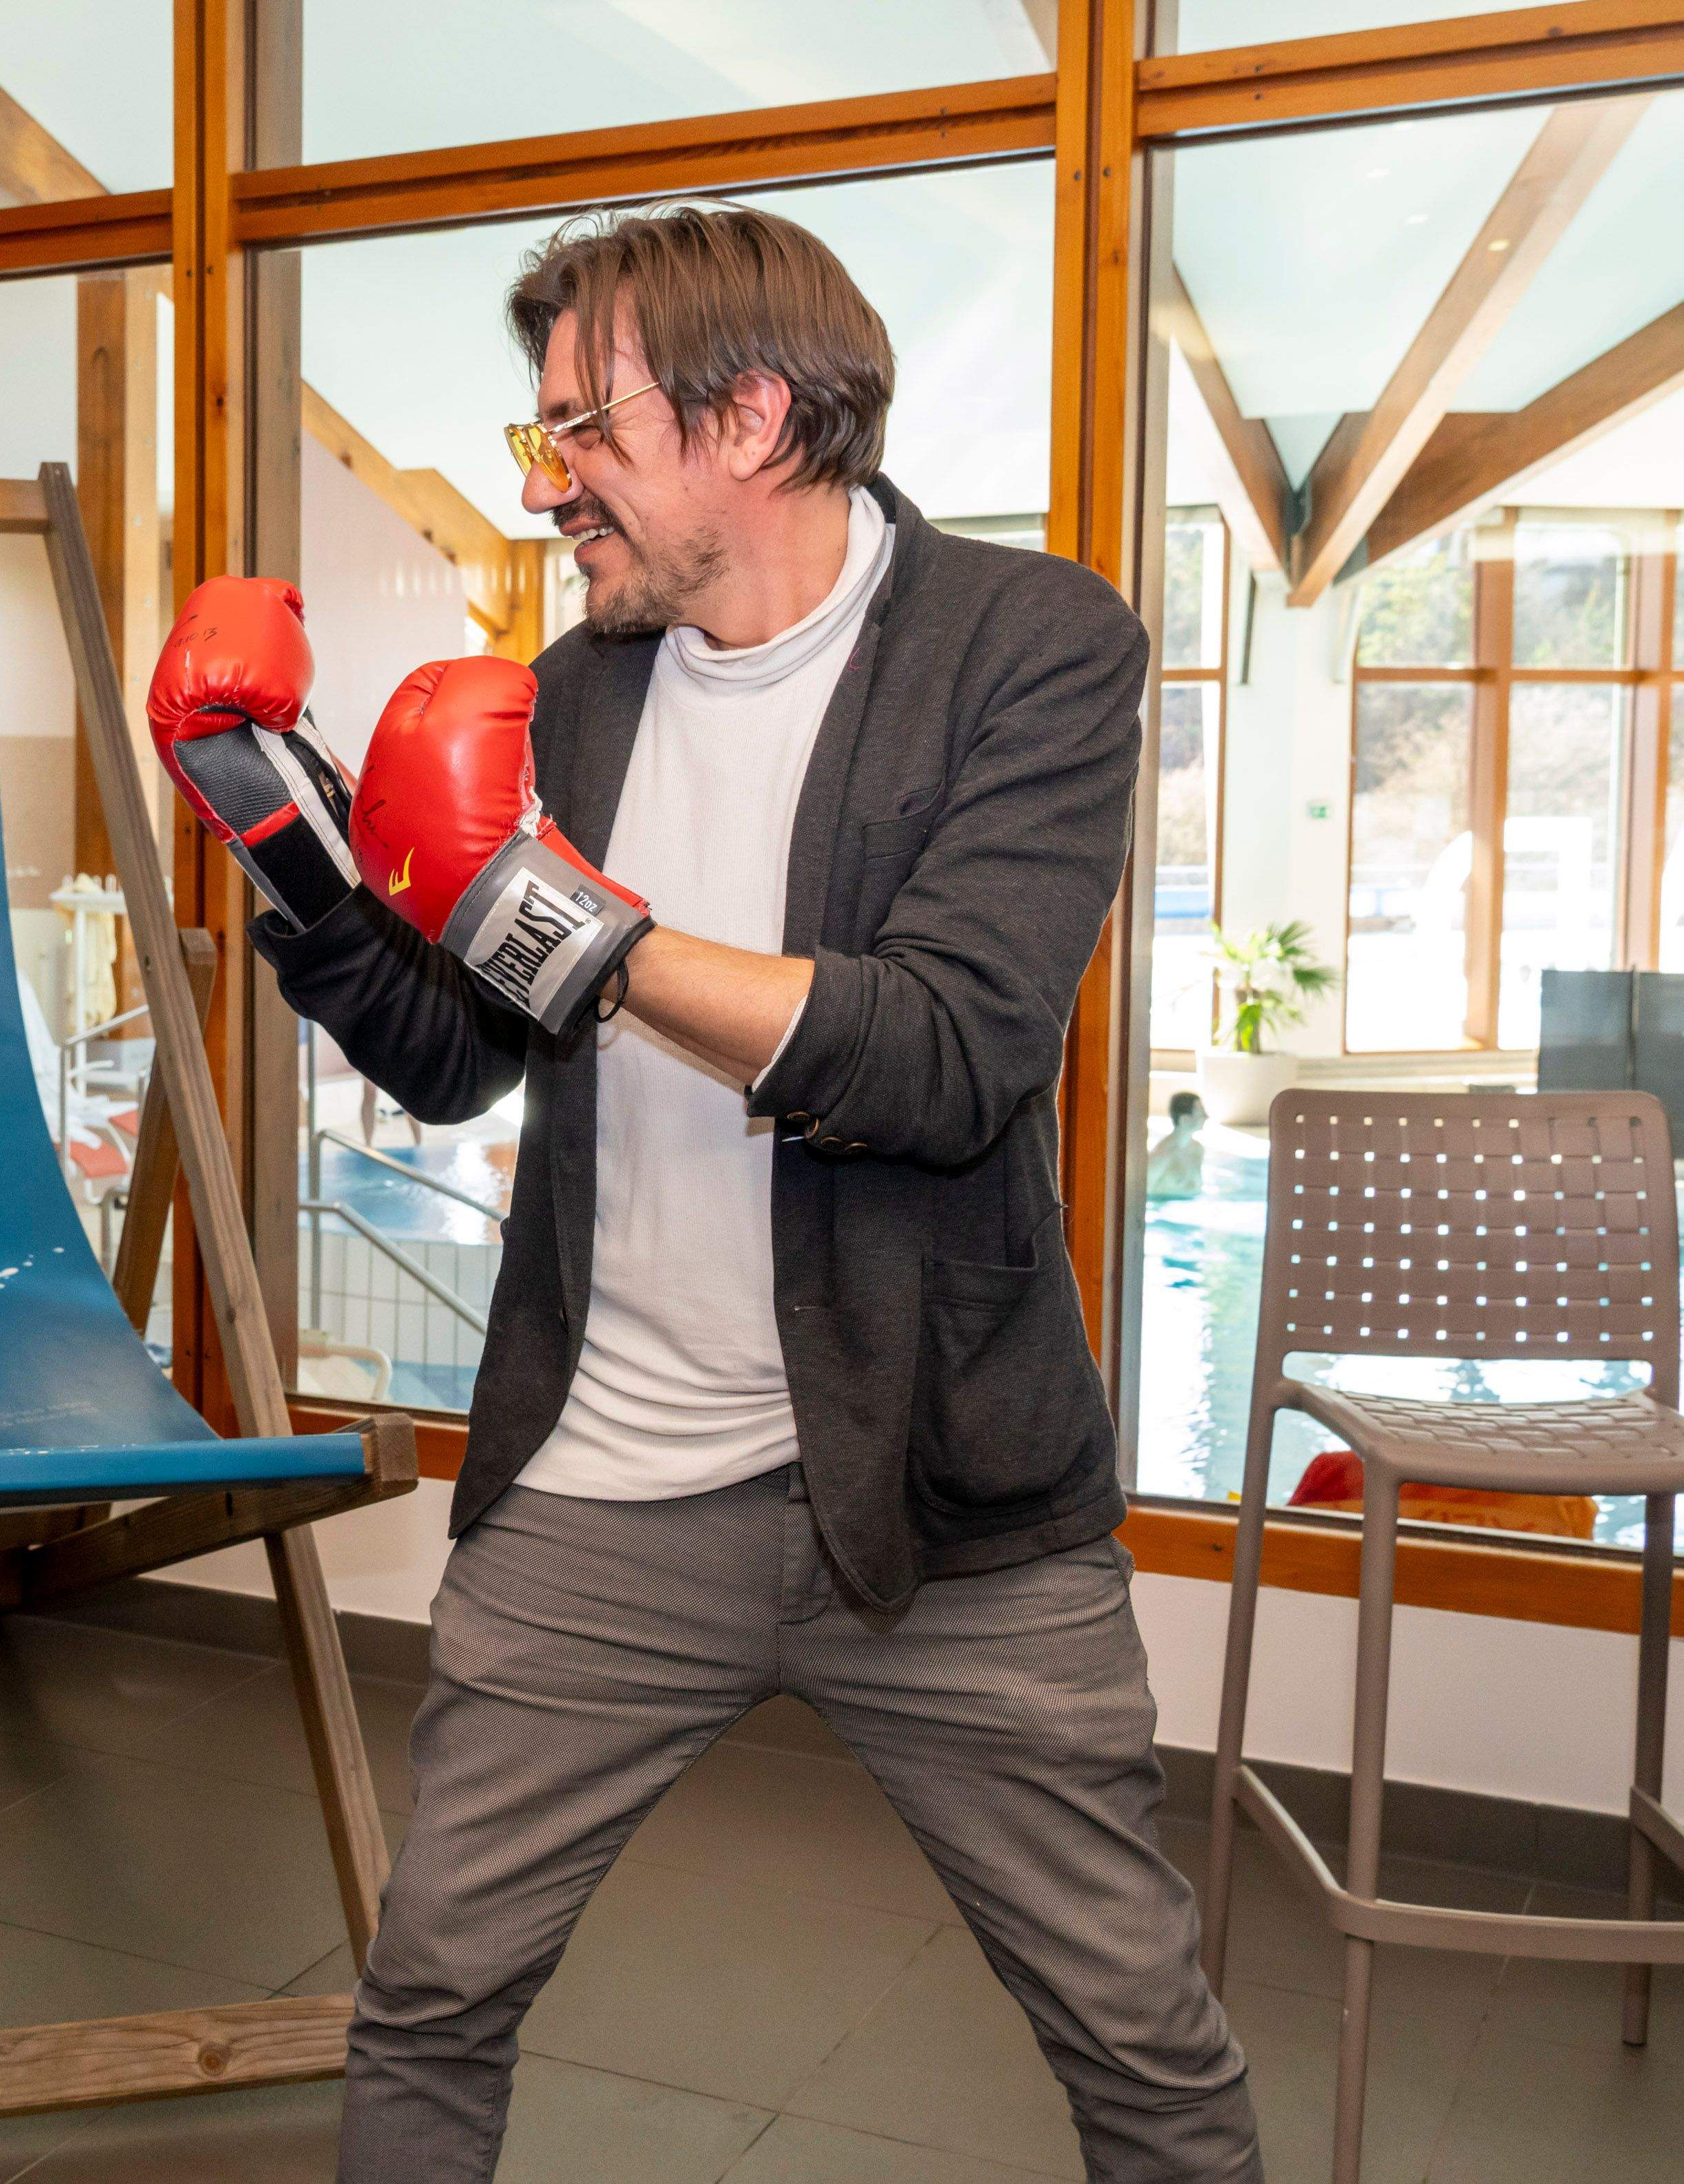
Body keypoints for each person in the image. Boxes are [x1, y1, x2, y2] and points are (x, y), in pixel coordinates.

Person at [145, 204, 1261, 2183]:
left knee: (1141, 2034)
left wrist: (570, 922)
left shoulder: (1033, 648)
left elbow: (942, 1057)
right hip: (607, 1478)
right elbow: (453, 1050)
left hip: (940, 1489)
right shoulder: (580, 689)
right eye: (541, 433)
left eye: (582, 427)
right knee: (430, 1997)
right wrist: (296, 848)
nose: (549, 476)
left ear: (752, 418)